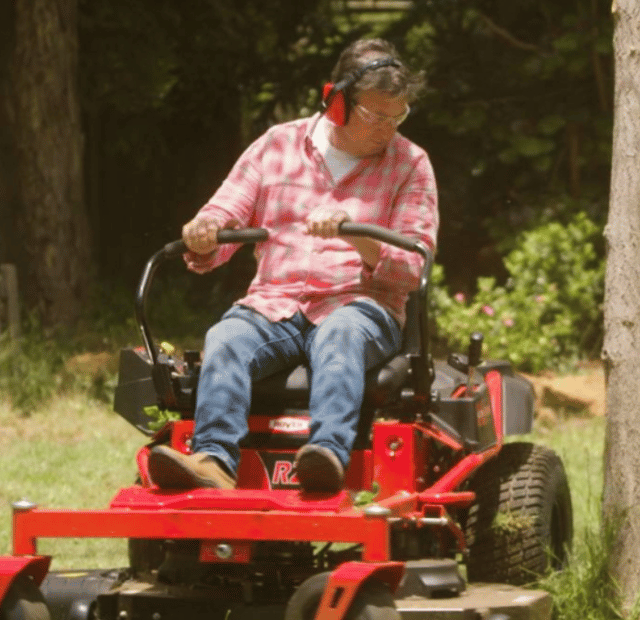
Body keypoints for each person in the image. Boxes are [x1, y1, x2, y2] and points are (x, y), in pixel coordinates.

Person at [148, 38, 439, 494]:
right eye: (375, 116)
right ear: (337, 102)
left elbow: (411, 268)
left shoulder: (411, 165)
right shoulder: (277, 145)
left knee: (340, 334)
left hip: (362, 306)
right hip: (275, 303)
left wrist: (356, 233)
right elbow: (224, 213)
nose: (387, 129)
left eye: (396, 116)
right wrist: (204, 230)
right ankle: (212, 462)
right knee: (224, 337)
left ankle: (325, 458)